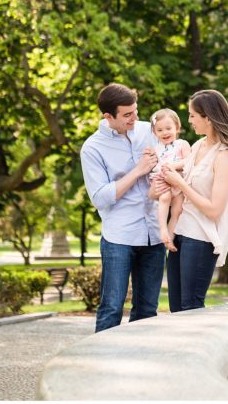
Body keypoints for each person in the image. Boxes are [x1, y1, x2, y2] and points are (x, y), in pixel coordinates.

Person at [80, 83, 165, 332]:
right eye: (127, 115)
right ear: (108, 117)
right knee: (112, 308)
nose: (134, 118)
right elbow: (100, 197)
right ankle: (102, 367)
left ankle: (138, 366)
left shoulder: (148, 132)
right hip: (119, 236)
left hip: (153, 233)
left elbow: (172, 151)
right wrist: (138, 170)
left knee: (148, 309)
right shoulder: (92, 148)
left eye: (135, 111)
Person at [159, 89, 228, 312]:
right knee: (176, 307)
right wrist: (170, 167)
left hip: (200, 238)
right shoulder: (199, 145)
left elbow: (214, 210)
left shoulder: (224, 155)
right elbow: (186, 167)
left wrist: (179, 184)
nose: (189, 121)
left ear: (207, 118)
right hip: (180, 234)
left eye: (192, 115)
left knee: (191, 306)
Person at [149, 108, 192, 252]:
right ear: (154, 132)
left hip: (178, 181)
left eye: (168, 128)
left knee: (177, 210)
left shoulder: (182, 144)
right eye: (159, 130)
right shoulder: (155, 148)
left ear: (177, 128)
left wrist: (173, 165)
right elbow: (152, 166)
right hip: (163, 180)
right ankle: (163, 230)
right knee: (165, 198)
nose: (165, 133)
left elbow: (189, 161)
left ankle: (170, 238)